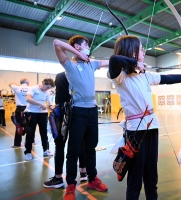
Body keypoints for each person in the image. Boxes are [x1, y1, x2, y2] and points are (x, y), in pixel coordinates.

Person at [108, 35, 181, 200]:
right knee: (135, 179)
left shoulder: (145, 76)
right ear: (131, 52)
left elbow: (165, 79)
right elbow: (114, 60)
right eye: (140, 49)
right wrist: (136, 64)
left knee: (151, 175)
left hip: (152, 128)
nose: (143, 51)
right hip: (136, 133)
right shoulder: (121, 77)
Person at [53, 35, 109, 199]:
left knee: (91, 147)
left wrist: (131, 61)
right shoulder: (69, 65)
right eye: (85, 45)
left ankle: (92, 179)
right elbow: (57, 43)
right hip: (77, 111)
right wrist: (80, 54)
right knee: (73, 149)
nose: (88, 48)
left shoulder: (91, 64)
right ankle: (71, 185)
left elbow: (112, 61)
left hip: (92, 110)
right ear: (77, 47)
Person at [43, 72, 88, 188]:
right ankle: (83, 172)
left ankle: (58, 178)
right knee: (81, 142)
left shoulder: (60, 75)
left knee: (59, 144)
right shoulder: (82, 75)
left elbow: (60, 97)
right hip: (79, 111)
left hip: (63, 112)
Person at [23, 78, 55, 161]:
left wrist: (51, 107)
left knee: (44, 133)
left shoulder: (47, 92)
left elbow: (49, 103)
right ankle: (28, 152)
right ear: (43, 83)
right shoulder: (33, 88)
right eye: (47, 87)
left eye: (49, 88)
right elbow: (28, 99)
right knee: (30, 133)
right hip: (31, 113)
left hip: (43, 114)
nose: (48, 89)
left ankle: (45, 150)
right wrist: (40, 104)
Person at [9, 78, 30, 147]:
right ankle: (31, 141)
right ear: (26, 82)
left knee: (19, 126)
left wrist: (19, 85)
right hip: (29, 109)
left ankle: (17, 144)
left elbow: (10, 83)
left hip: (20, 109)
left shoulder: (17, 88)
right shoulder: (30, 88)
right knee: (29, 125)